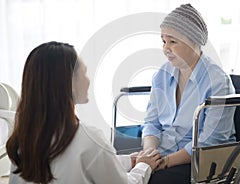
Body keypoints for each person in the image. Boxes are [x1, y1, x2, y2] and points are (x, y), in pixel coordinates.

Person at [6, 41, 162, 184]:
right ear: (70, 82)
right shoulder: (89, 138)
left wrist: (129, 160)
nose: (88, 80)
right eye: (84, 73)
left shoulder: (23, 139)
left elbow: (75, 162)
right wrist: (143, 166)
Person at [142, 4, 236, 183]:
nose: (165, 48)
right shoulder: (161, 76)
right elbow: (151, 123)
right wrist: (149, 152)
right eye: (163, 41)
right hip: (162, 155)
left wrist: (165, 162)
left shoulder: (217, 82)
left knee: (154, 180)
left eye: (172, 41)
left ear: (193, 41)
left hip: (201, 162)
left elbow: (210, 142)